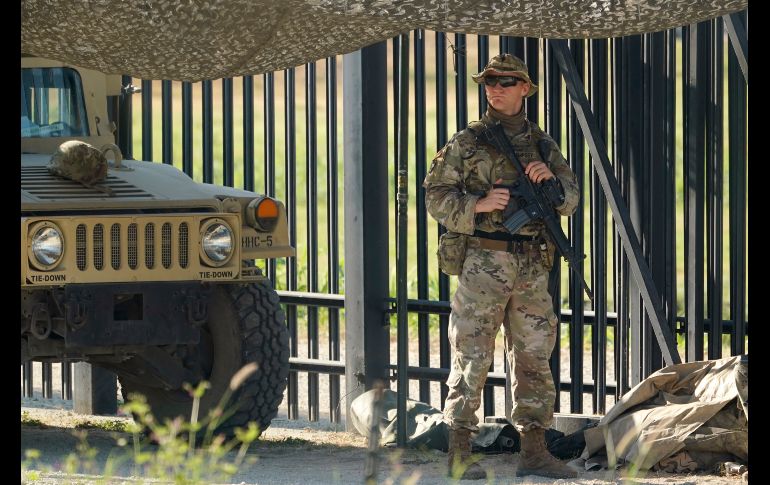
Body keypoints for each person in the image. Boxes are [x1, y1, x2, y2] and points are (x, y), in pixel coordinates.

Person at [423, 53, 580, 480]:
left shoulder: (542, 143)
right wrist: (478, 204)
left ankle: (534, 451)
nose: (496, 88)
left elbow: (570, 200)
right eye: (490, 81)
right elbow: (435, 195)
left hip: (531, 265)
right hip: (483, 260)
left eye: (506, 82)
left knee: (534, 356)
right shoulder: (469, 141)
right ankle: (459, 451)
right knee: (471, 354)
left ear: (525, 89)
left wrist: (551, 181)